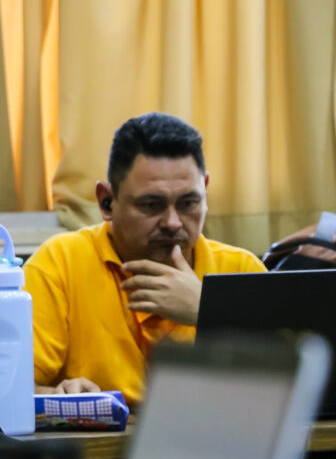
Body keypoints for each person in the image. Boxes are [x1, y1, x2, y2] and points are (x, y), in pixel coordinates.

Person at [24, 113, 266, 403]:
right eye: (152, 204)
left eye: (189, 203)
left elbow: (290, 392)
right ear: (106, 201)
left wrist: (209, 311)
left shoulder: (241, 270)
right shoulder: (60, 264)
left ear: (206, 190)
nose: (173, 222)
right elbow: (2, 392)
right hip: (107, 448)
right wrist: (61, 398)